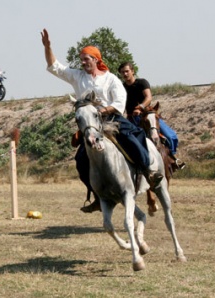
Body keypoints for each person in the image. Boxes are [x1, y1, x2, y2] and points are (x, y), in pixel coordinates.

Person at [41, 28, 163, 213]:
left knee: (134, 136)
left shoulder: (111, 79)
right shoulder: (77, 76)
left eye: (86, 59)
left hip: (111, 118)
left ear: (96, 60)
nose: (82, 62)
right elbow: (55, 67)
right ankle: (98, 196)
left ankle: (149, 172)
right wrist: (48, 47)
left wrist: (103, 110)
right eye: (81, 60)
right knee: (81, 160)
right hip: (90, 123)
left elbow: (120, 102)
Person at [118, 62, 185, 169]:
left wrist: (140, 107)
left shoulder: (142, 83)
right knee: (122, 139)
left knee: (169, 136)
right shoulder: (121, 87)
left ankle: (172, 159)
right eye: (123, 72)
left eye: (127, 71)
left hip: (147, 115)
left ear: (132, 71)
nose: (125, 74)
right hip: (131, 118)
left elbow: (148, 97)